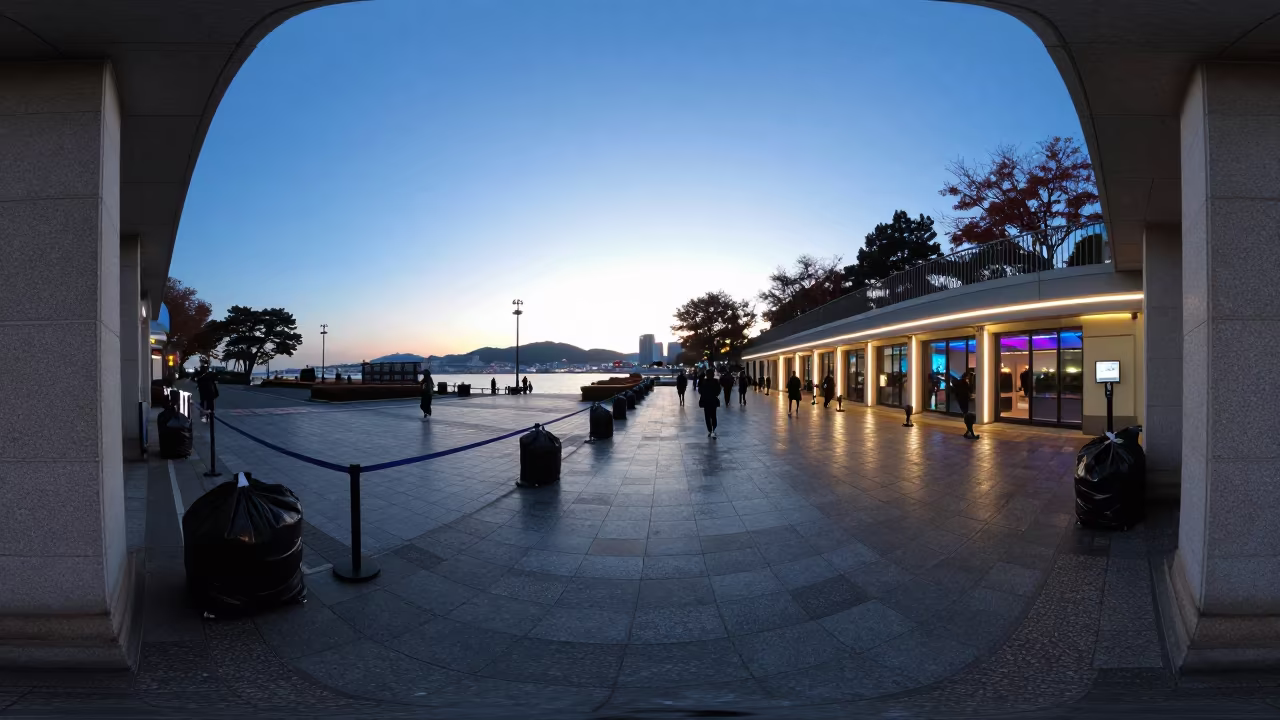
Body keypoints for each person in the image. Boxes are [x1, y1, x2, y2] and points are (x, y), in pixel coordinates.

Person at [699, 367, 720, 438]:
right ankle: (711, 428)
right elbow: (700, 390)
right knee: (709, 416)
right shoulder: (705, 381)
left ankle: (712, 428)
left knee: (711, 415)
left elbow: (718, 390)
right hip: (708, 400)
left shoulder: (713, 381)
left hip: (710, 400)